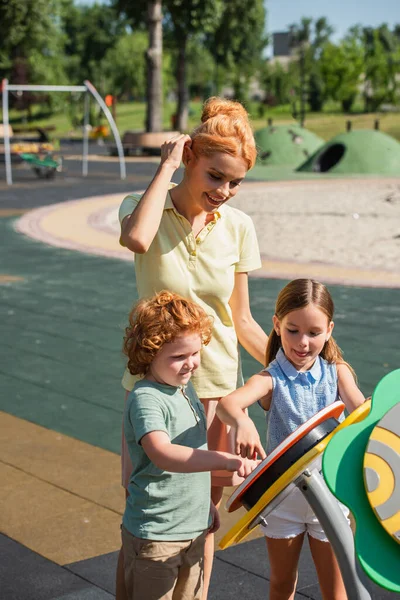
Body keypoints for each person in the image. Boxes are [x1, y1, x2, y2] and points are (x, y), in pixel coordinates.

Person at [116, 96, 268, 599]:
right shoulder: (146, 209)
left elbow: (241, 318)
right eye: (214, 176)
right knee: (151, 498)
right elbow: (137, 240)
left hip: (217, 387)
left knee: (204, 514)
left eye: (235, 181)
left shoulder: (239, 227)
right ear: (189, 160)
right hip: (157, 387)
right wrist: (165, 166)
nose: (224, 190)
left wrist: (289, 368)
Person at [216, 278, 366, 600]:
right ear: (277, 325)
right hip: (284, 501)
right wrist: (242, 421)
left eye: (314, 333)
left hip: (330, 494)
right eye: (292, 330)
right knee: (282, 584)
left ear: (329, 330)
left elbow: (362, 411)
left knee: (335, 588)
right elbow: (228, 405)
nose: (303, 342)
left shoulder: (337, 372)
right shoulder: (270, 378)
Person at [121, 290, 255, 600]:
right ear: (148, 353)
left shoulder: (184, 389)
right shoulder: (147, 399)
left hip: (192, 528)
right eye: (178, 357)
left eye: (195, 353)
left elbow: (190, 453)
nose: (191, 364)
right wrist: (226, 460)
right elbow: (164, 453)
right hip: (156, 534)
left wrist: (203, 504)